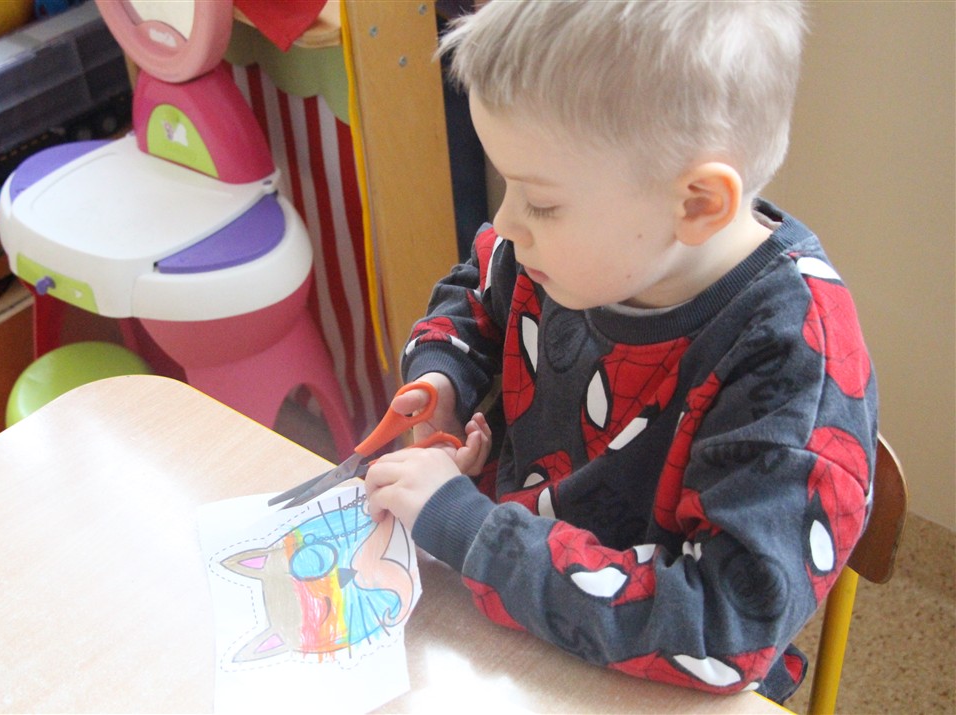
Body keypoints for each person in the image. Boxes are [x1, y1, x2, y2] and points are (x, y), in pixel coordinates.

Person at [363, 0, 878, 703]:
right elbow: (477, 291)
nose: (506, 220)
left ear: (696, 204)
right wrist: (443, 375)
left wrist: (474, 531)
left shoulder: (790, 361)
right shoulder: (566, 254)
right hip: (508, 629)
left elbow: (726, 631)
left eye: (541, 201)